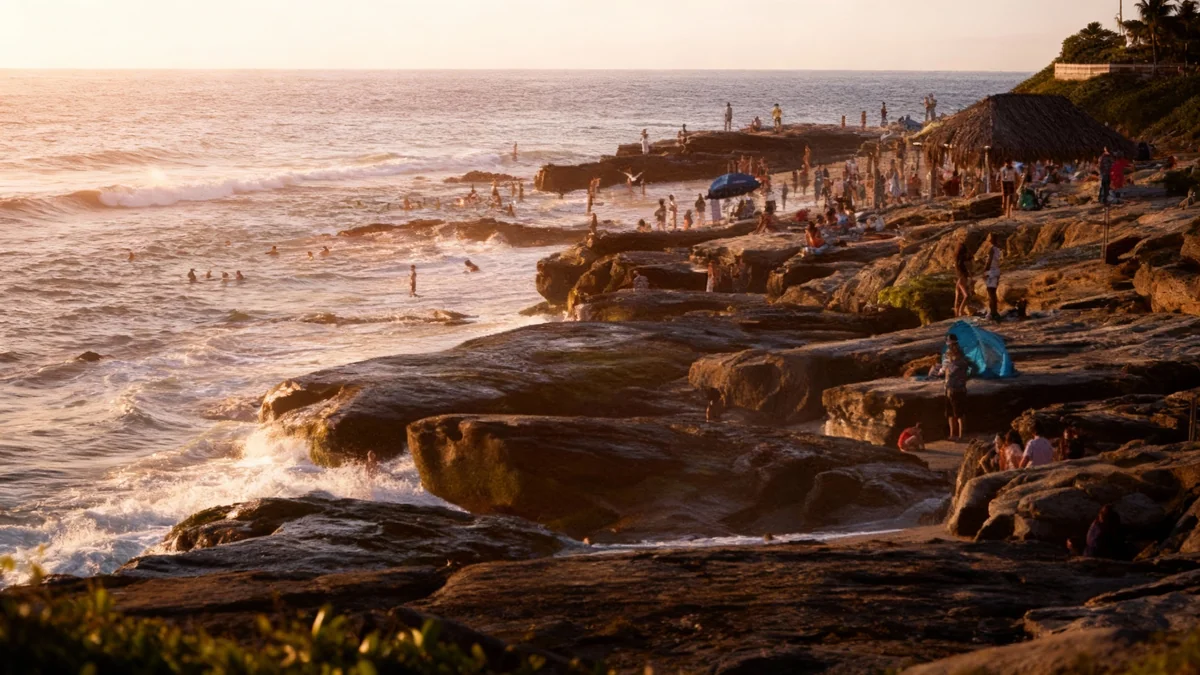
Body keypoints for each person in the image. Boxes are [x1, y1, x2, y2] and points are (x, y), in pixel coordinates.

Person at [943, 334, 969, 440]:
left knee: (959, 413)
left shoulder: (960, 359)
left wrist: (949, 365)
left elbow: (957, 371)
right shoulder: (949, 357)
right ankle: (952, 434)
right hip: (949, 388)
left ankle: (961, 435)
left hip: (957, 389)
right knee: (950, 413)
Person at [983, 233, 1002, 320]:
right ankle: (994, 311)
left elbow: (989, 261)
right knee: (993, 293)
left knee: (990, 293)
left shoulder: (992, 249)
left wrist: (985, 271)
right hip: (996, 271)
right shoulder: (998, 250)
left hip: (991, 272)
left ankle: (993, 312)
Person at [954, 240, 973, 317]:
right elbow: (969, 264)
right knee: (966, 295)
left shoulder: (957, 260)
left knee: (957, 296)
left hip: (959, 278)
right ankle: (960, 312)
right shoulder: (962, 261)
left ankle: (956, 313)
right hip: (962, 278)